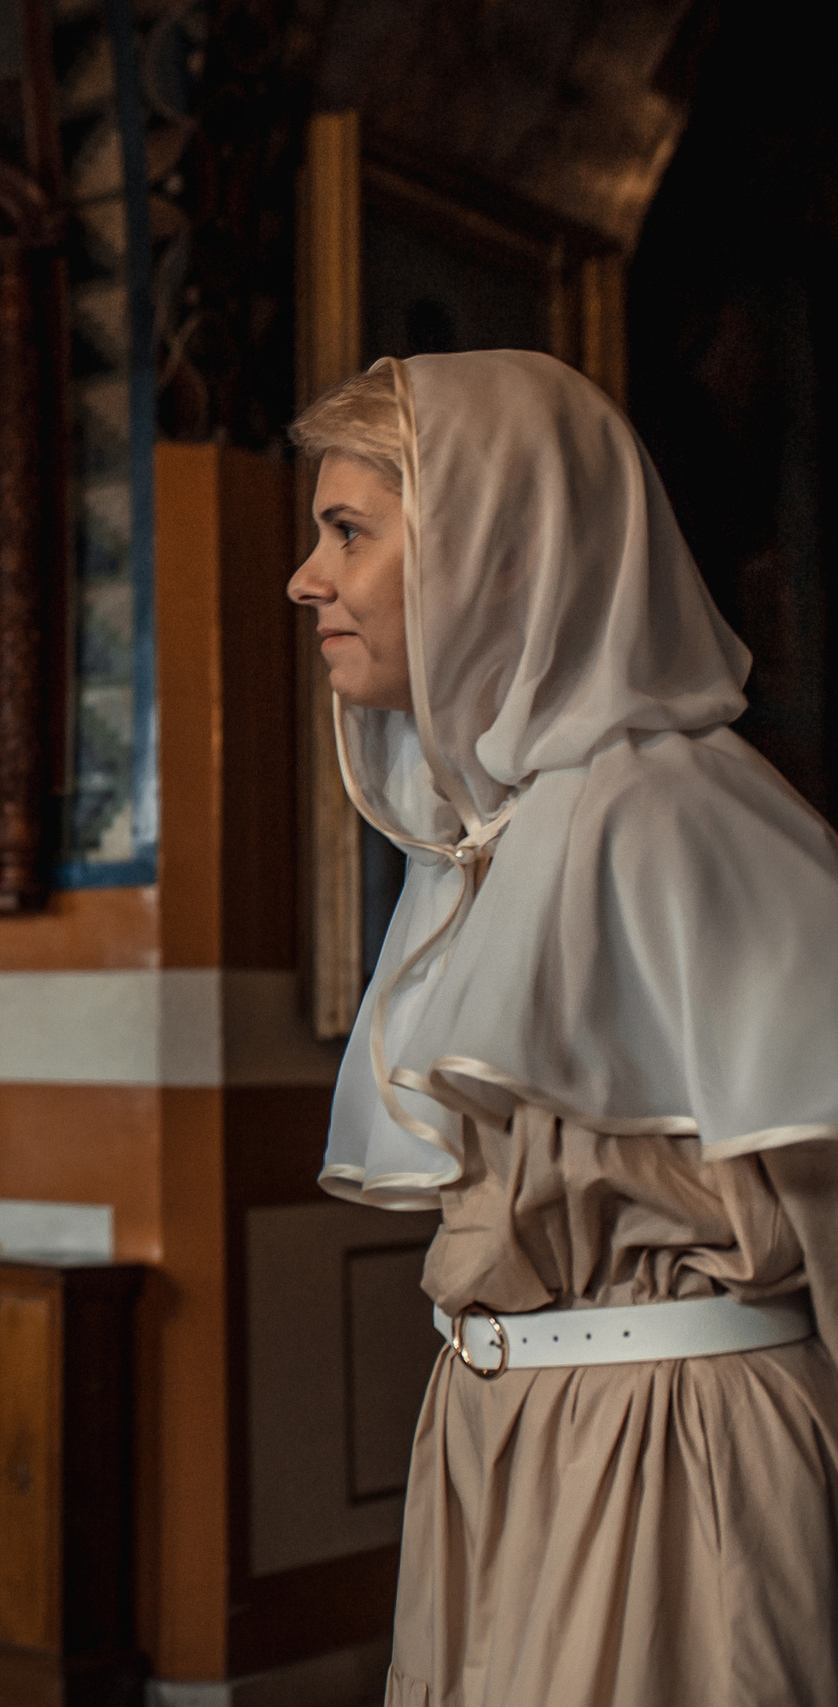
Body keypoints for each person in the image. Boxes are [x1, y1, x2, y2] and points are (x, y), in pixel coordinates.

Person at [289, 350, 838, 1707]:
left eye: (347, 529)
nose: (307, 576)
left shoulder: (667, 819)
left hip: (668, 1460)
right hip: (504, 1433)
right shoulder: (499, 836)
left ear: (493, 549)